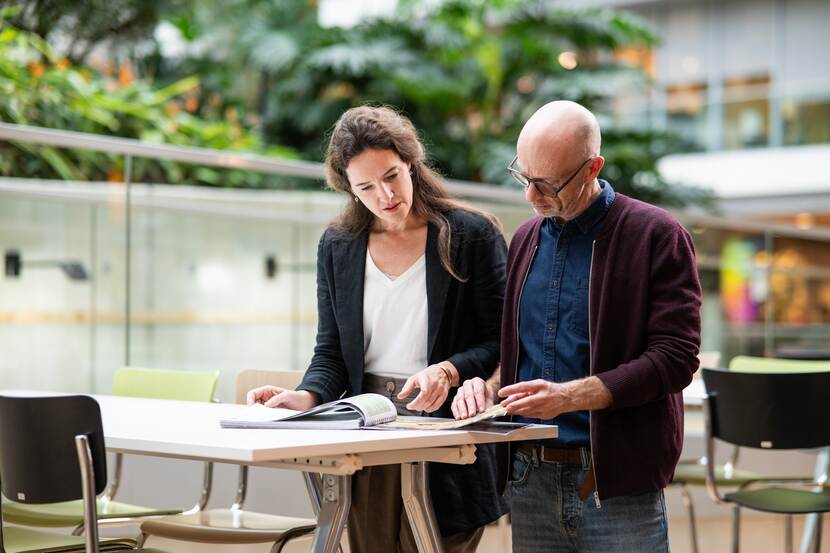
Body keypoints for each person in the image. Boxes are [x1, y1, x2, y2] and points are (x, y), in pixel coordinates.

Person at [247, 105, 508, 553]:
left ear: (411, 162)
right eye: (365, 187)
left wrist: (447, 370)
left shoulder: (469, 235)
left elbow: (502, 341)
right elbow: (332, 352)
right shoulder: (339, 246)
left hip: (444, 434)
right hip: (367, 433)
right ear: (348, 188)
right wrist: (305, 398)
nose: (385, 195)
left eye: (391, 176)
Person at [452, 100, 702, 552]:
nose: (531, 195)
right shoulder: (526, 238)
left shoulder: (657, 235)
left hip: (616, 482)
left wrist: (569, 396)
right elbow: (519, 352)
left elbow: (675, 359)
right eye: (524, 177)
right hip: (529, 474)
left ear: (592, 169)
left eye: (547, 183)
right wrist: (490, 387)